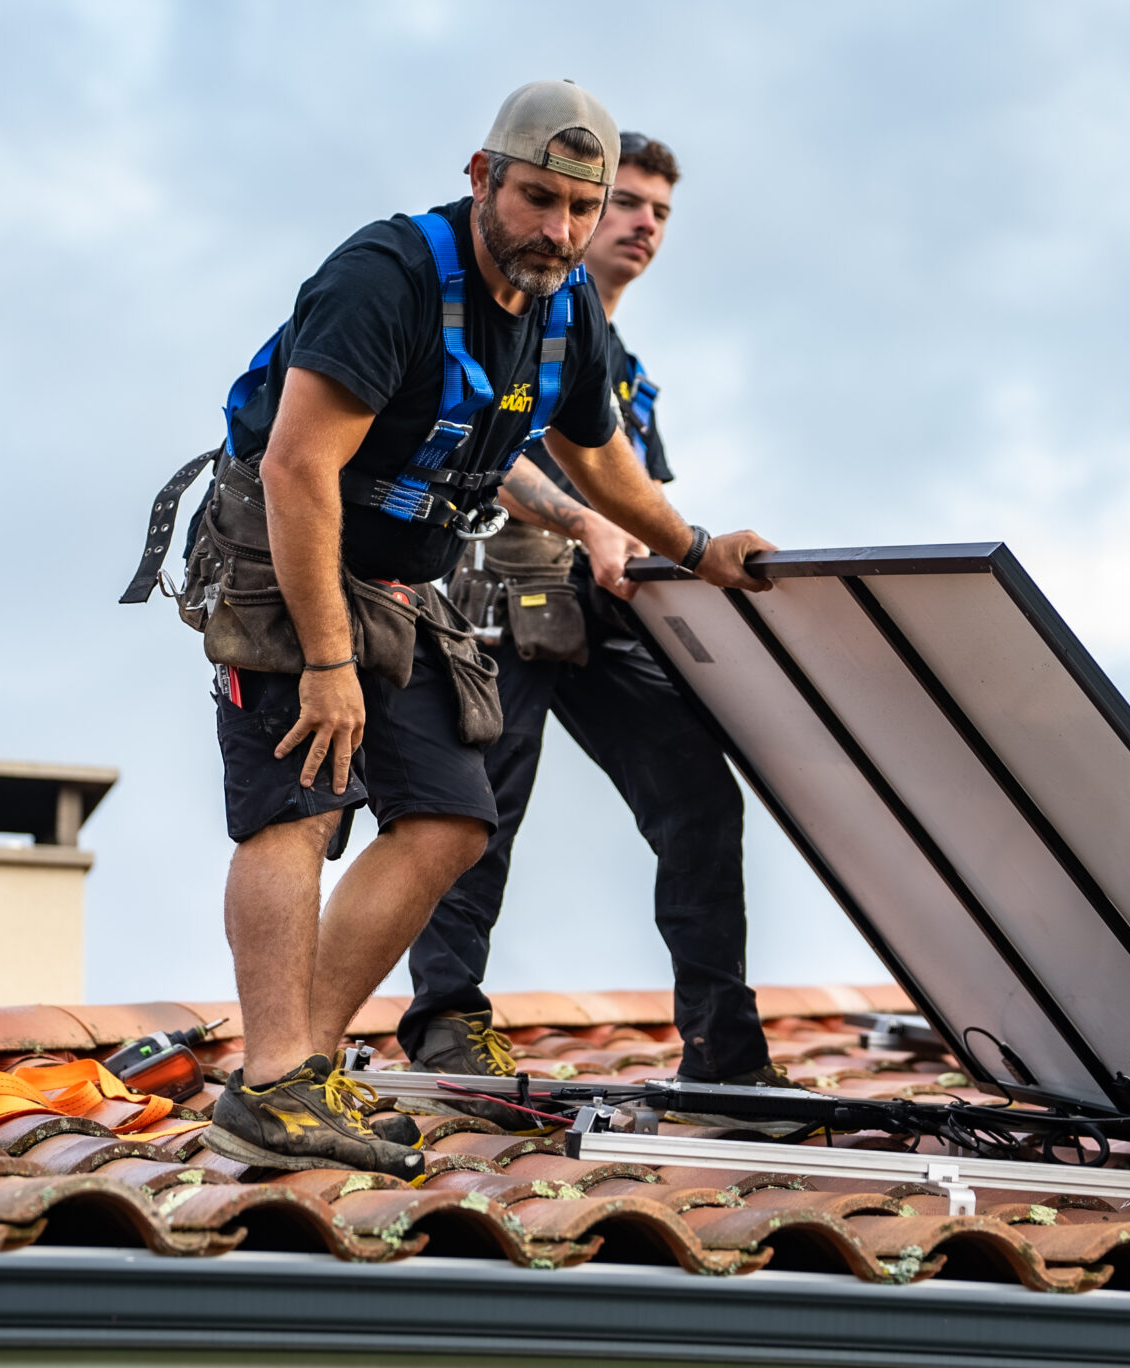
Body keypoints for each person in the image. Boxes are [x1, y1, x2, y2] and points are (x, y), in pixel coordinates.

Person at [189, 83, 775, 1175]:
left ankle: (302, 1075)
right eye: (536, 199)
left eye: (577, 207)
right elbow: (297, 465)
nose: (557, 230)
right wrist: (325, 662)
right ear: (480, 178)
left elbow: (602, 461)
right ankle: (272, 1078)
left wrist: (693, 549)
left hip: (396, 581)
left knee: (451, 818)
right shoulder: (389, 276)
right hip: (283, 557)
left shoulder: (565, 312)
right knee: (299, 807)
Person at [397, 133, 789, 1127]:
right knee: (472, 812)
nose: (640, 224)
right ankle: (447, 1025)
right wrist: (579, 517)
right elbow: (482, 456)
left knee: (697, 796)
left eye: (659, 210)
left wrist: (686, 556)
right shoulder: (499, 324)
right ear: (570, 209)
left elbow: (635, 498)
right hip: (492, 589)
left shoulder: (624, 374)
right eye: (624, 203)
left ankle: (724, 1059)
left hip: (604, 608)